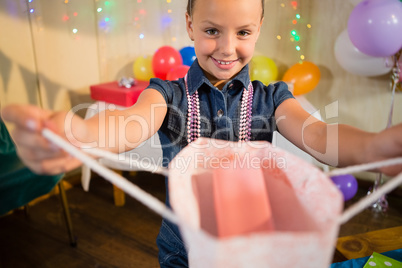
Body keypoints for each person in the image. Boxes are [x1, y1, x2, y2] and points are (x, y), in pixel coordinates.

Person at [2, 0, 402, 266]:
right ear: (190, 25)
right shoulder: (167, 93)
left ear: (259, 29)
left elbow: (318, 135)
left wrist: (372, 146)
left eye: (243, 33)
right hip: (182, 247)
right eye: (212, 31)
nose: (227, 48)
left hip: (256, 247)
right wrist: (82, 134)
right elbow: (132, 122)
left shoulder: (274, 97)